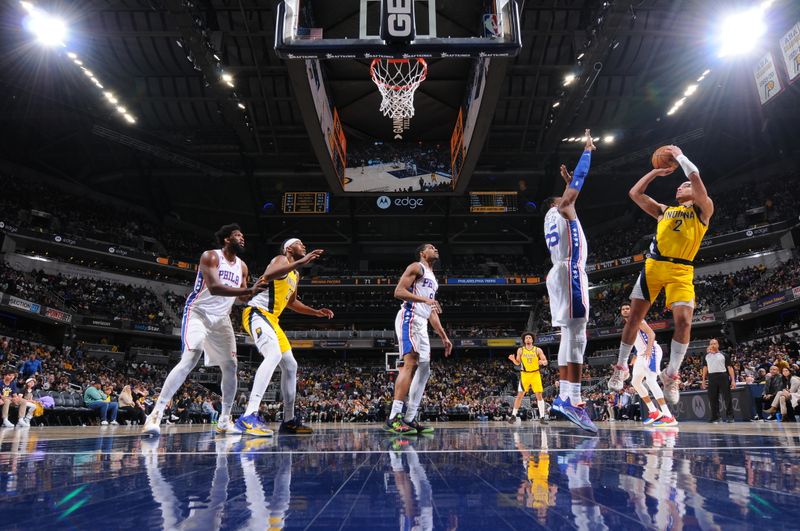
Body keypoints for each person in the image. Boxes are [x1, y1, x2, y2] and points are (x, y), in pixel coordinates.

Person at [610, 146, 714, 405]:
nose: (680, 187)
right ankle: (621, 366)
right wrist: (656, 171)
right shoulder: (663, 210)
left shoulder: (703, 211)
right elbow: (635, 193)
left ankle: (672, 374)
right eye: (678, 186)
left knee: (684, 322)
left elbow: (696, 178)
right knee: (634, 319)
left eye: (684, 185)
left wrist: (679, 156)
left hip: (681, 270)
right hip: (654, 267)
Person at [142, 224, 265, 436]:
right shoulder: (211, 256)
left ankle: (225, 419)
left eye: (243, 235)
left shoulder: (243, 266)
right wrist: (248, 289)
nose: (242, 238)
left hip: (221, 318)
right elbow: (215, 287)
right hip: (198, 312)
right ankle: (155, 415)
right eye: (238, 235)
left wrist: (257, 290)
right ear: (227, 239)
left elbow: (242, 298)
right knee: (191, 356)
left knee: (231, 365)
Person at [237, 238, 332, 436]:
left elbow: (292, 302)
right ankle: (248, 415)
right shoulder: (281, 259)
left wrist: (316, 312)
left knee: (291, 365)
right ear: (289, 248)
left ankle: (288, 421)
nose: (304, 246)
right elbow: (268, 275)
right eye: (300, 243)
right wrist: (300, 261)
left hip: (272, 320)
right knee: (273, 355)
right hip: (257, 312)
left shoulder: (295, 274)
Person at [543, 131, 597, 433]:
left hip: (559, 273)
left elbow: (570, 195)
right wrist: (587, 151)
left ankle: (564, 395)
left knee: (568, 334)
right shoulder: (562, 209)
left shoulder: (553, 217)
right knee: (578, 335)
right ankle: (574, 400)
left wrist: (566, 183)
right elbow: (575, 190)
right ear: (558, 203)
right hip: (570, 273)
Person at [385, 243, 453, 435]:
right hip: (409, 317)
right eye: (432, 247)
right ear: (423, 253)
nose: (436, 249)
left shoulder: (433, 279)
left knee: (425, 369)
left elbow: (431, 312)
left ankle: (410, 417)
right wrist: (425, 300)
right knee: (410, 363)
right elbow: (398, 292)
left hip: (421, 321)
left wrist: (444, 337)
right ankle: (394, 417)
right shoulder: (416, 267)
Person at [617, 303, 677, 426]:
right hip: (640, 354)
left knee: (650, 380)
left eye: (628, 308)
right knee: (635, 382)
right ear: (621, 312)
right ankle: (654, 411)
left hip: (651, 350)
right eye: (623, 309)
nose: (625, 310)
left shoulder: (637, 319)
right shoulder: (628, 326)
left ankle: (669, 416)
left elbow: (651, 334)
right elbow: (635, 345)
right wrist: (633, 359)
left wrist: (649, 349)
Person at [507, 332, 548, 425]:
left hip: (535, 374)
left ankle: (542, 417)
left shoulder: (538, 350)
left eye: (530, 337)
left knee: (539, 396)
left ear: (532, 340)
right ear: (524, 340)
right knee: (520, 396)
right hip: (524, 375)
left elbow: (545, 361)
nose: (528, 339)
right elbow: (517, 363)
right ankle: (513, 415)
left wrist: (543, 362)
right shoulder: (520, 350)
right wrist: (513, 360)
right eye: (526, 338)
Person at [700, 339, 735, 423]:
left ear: (718, 345)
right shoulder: (706, 356)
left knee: (727, 397)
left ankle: (730, 417)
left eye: (715, 343)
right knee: (712, 398)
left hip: (723, 376)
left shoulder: (724, 355)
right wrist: (703, 380)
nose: (713, 345)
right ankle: (715, 417)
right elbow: (705, 368)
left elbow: (730, 368)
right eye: (711, 344)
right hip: (711, 377)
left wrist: (733, 380)